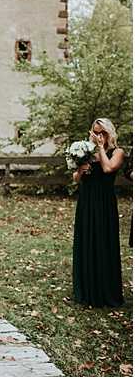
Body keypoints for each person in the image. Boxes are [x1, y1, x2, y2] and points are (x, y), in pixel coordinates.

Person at [72, 118, 124, 307]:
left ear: (109, 133)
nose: (98, 136)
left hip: (104, 203)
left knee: (103, 242)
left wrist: (100, 148)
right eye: (95, 132)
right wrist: (81, 170)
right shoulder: (86, 152)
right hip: (86, 201)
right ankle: (86, 290)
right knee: (86, 241)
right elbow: (76, 178)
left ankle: (105, 291)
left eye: (102, 133)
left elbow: (108, 168)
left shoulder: (117, 152)